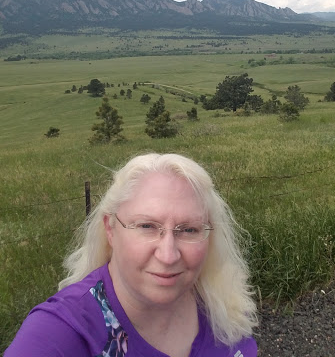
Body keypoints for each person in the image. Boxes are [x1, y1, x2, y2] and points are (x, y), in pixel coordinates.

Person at [5, 153, 258, 357]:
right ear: (110, 229)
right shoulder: (61, 333)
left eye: (189, 229)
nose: (168, 255)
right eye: (147, 226)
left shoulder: (222, 303)